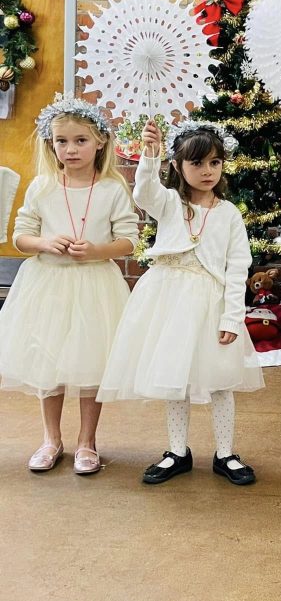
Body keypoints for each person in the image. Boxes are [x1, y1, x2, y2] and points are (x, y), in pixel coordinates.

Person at [98, 119, 263, 485]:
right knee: (174, 377)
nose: (207, 171)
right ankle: (177, 451)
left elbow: (238, 267)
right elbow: (144, 193)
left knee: (220, 379)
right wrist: (150, 154)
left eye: (215, 162)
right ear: (177, 165)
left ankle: (225, 453)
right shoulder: (170, 202)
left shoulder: (229, 214)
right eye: (197, 163)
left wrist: (232, 318)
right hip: (169, 301)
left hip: (210, 304)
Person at [0, 96, 138, 475]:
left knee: (91, 363)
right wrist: (44, 243)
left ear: (100, 142)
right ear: (51, 144)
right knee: (48, 361)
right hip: (48, 285)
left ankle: (87, 441)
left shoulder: (112, 188)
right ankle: (51, 439)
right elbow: (21, 236)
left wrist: (96, 250)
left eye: (80, 140)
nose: (71, 149)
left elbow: (129, 240)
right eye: (62, 141)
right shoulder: (42, 187)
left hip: (94, 286)